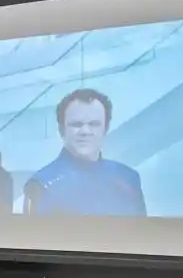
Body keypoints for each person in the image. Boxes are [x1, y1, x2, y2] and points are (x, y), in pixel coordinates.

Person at [25, 88, 147, 216]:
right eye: (76, 124)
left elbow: (143, 228)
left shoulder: (128, 178)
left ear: (105, 129)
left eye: (94, 124)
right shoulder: (41, 185)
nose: (85, 131)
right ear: (61, 130)